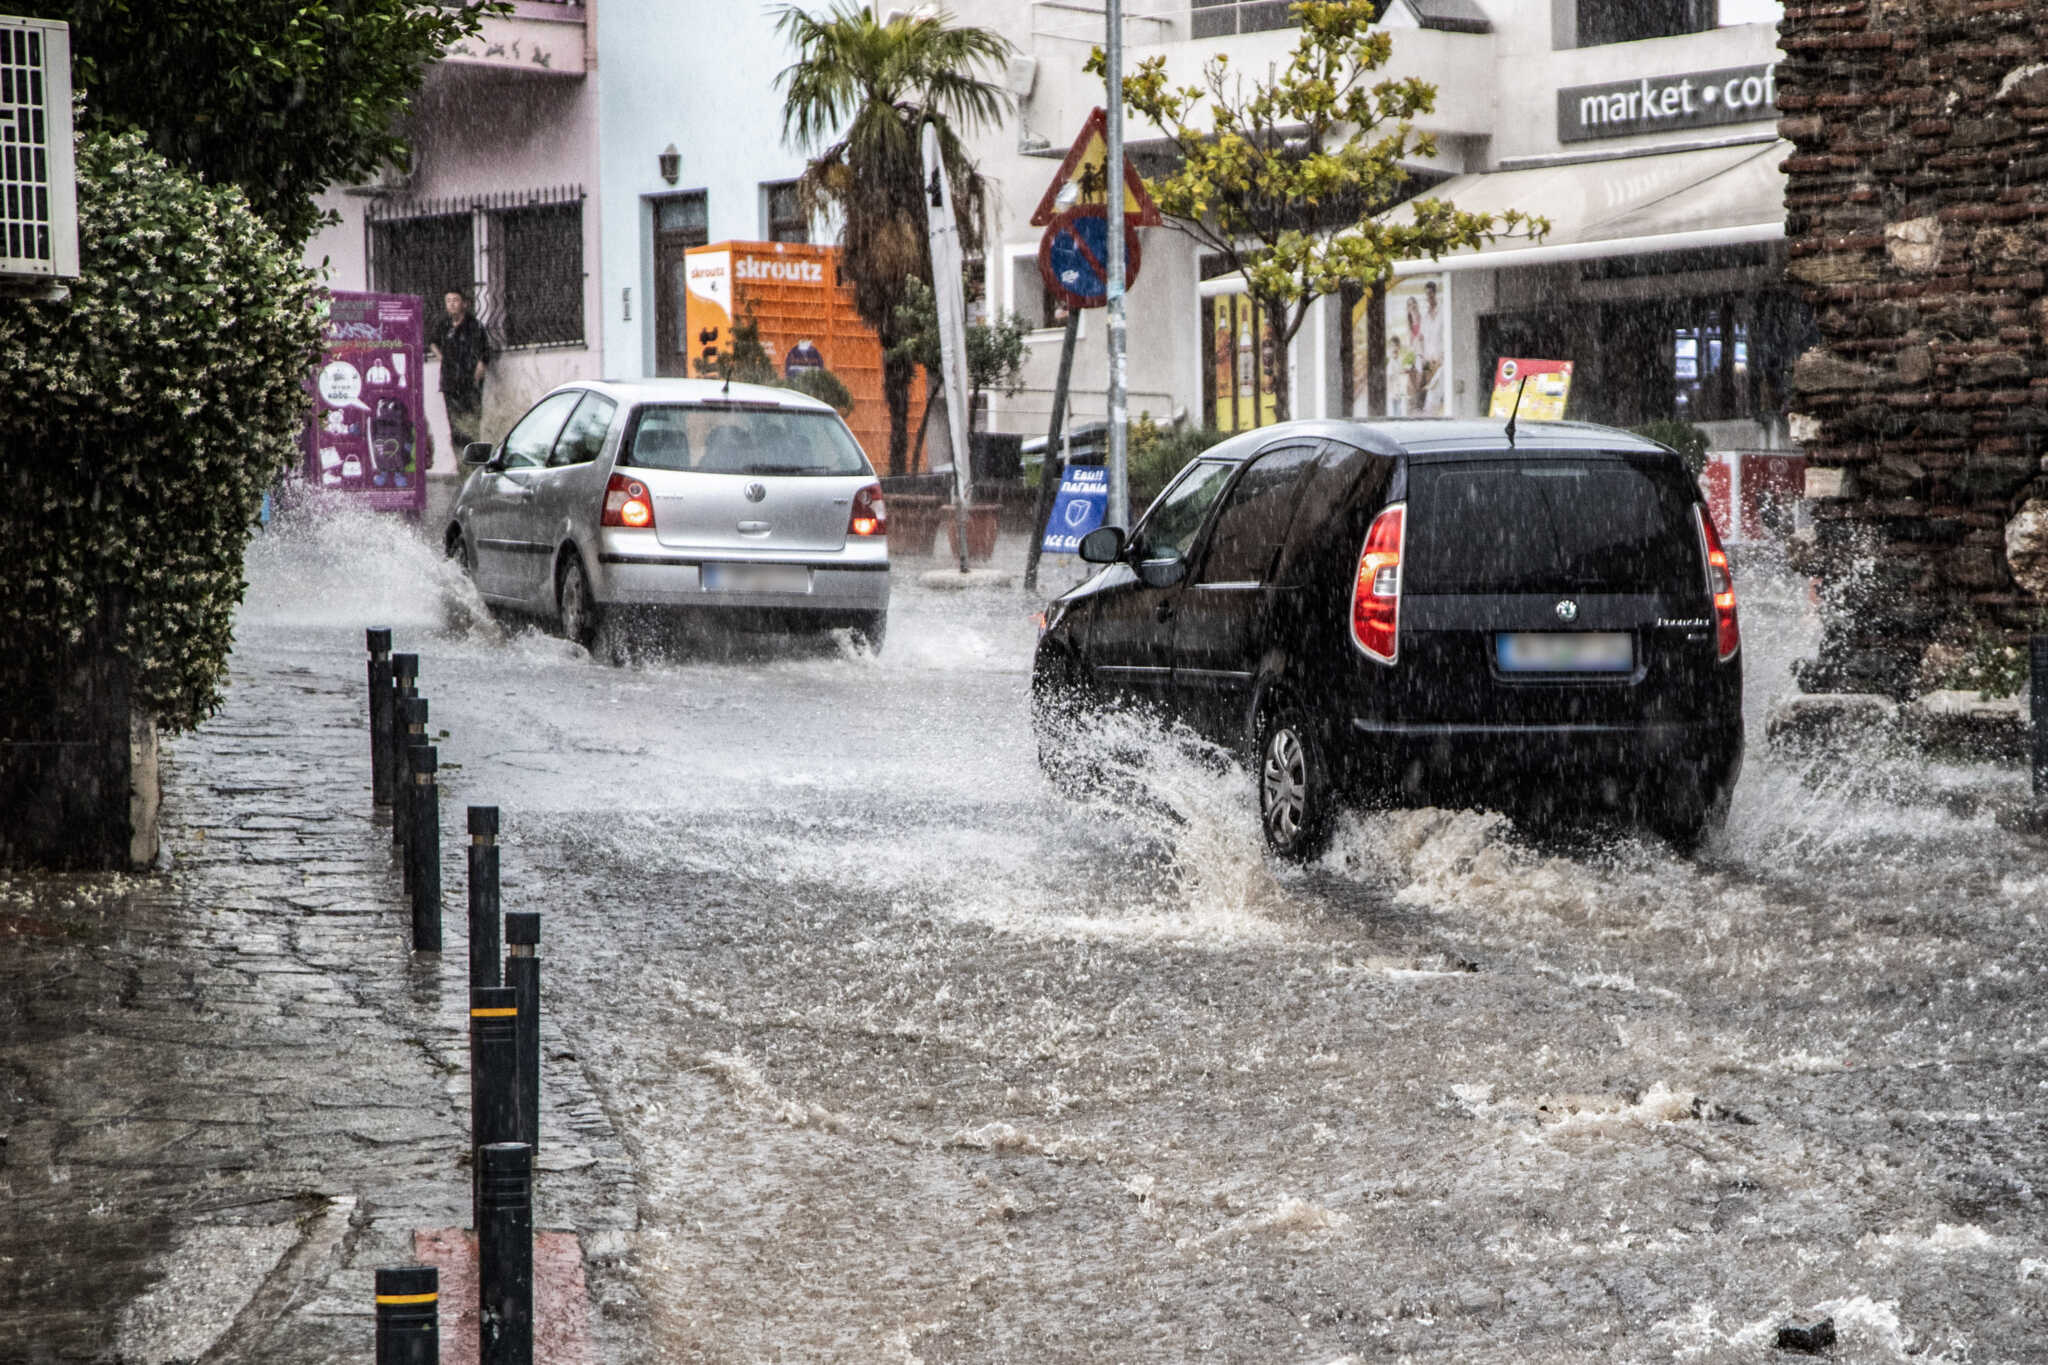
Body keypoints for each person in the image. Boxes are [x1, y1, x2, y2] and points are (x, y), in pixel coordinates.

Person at [428, 289, 493, 455]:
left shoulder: (474, 325)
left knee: (471, 423)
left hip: (469, 382)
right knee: (455, 425)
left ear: (465, 303)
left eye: (455, 300)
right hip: (450, 383)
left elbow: (485, 351)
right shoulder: (444, 325)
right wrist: (441, 357)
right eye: (448, 300)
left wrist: (479, 368)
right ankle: (460, 466)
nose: (451, 304)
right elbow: (432, 341)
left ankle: (473, 462)